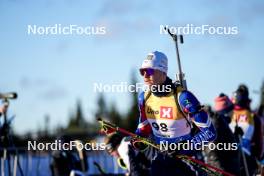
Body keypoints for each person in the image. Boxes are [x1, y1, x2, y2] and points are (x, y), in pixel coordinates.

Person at [135, 51, 216, 176]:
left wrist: (183, 148)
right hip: (161, 160)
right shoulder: (144, 98)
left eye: (150, 71)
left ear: (163, 72)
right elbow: (143, 128)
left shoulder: (183, 97)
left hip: (186, 161)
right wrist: (137, 139)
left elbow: (209, 132)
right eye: (142, 71)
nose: (145, 76)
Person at [203, 94, 241, 176]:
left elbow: (226, 147)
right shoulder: (217, 124)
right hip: (222, 172)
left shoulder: (223, 123)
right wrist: (221, 173)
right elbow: (212, 152)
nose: (233, 112)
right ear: (226, 111)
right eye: (232, 109)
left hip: (229, 170)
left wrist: (236, 137)